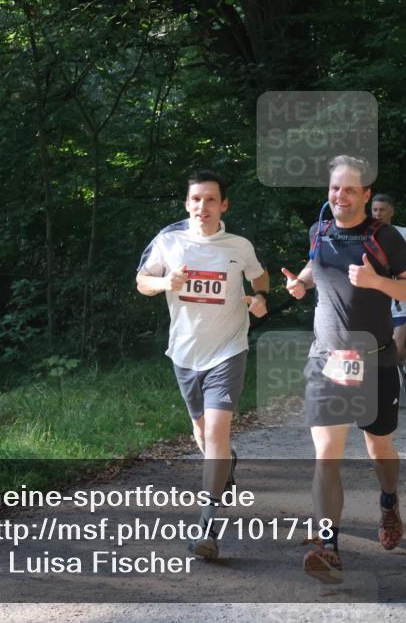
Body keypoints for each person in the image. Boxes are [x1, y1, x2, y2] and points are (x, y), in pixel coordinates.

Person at [282, 155, 406, 584]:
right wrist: (302, 282)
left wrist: (378, 281)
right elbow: (316, 263)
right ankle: (330, 548)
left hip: (375, 359)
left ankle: (389, 500)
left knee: (380, 450)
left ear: (364, 195)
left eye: (348, 189)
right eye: (333, 188)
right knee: (327, 455)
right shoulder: (319, 229)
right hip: (327, 359)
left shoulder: (386, 239)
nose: (338, 196)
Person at [136, 170, 269, 560]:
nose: (203, 207)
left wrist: (259, 301)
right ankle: (224, 465)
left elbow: (260, 282)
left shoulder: (238, 246)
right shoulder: (169, 240)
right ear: (187, 204)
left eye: (211, 199)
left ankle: (207, 528)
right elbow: (142, 281)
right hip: (184, 353)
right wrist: (166, 284)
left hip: (228, 349)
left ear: (223, 205)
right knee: (202, 434)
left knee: (216, 430)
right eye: (196, 199)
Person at [371, 193, 406, 396]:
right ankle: (385, 393)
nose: (377, 214)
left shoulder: (404, 233)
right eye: (374, 210)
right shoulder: (364, 235)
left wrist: (400, 266)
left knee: (397, 350)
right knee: (378, 349)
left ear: (391, 211)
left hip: (399, 299)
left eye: (382, 210)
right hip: (375, 299)